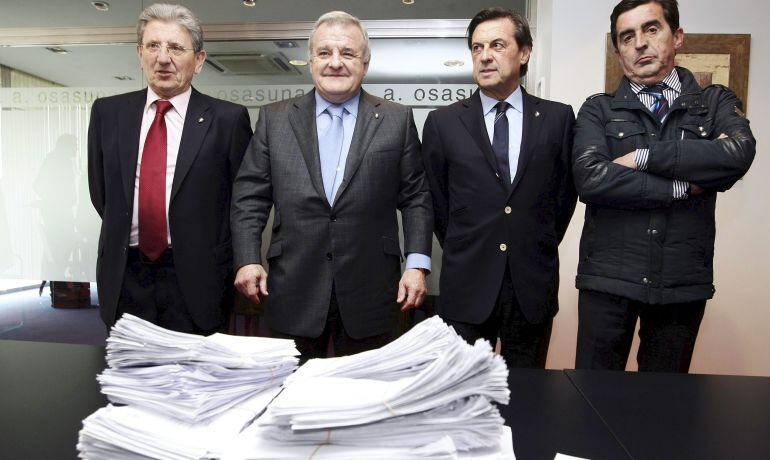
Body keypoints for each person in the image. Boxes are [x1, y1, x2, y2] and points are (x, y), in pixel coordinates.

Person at [231, 11, 432, 360]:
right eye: (324, 53)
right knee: (291, 398)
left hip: (372, 290)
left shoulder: (396, 119)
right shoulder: (275, 119)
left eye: (348, 54)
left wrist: (416, 264)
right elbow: (250, 197)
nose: (335, 63)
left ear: (365, 64)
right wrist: (248, 260)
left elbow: (416, 197)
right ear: (310, 61)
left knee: (366, 402)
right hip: (293, 288)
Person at [572, 0, 756, 372]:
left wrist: (643, 157)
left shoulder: (714, 102)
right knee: (591, 401)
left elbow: (737, 153)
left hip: (681, 283)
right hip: (608, 280)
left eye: (651, 29)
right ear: (618, 50)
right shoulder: (598, 110)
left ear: (678, 37)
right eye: (627, 37)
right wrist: (682, 187)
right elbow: (591, 179)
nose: (640, 43)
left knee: (665, 408)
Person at [421, 7, 576, 368]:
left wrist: (534, 239)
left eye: (496, 45)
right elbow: (436, 201)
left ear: (524, 53)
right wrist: (468, 241)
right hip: (467, 285)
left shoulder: (558, 119)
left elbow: (564, 196)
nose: (485, 55)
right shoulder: (443, 123)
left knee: (529, 399)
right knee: (462, 396)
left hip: (531, 287)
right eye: (476, 48)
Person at [88, 3, 252, 333]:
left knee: (196, 380)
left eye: (176, 47)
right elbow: (101, 194)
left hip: (197, 279)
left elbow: (242, 202)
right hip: (125, 275)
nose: (163, 58)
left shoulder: (228, 120)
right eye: (153, 46)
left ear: (200, 61)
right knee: (130, 378)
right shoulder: (108, 113)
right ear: (140, 53)